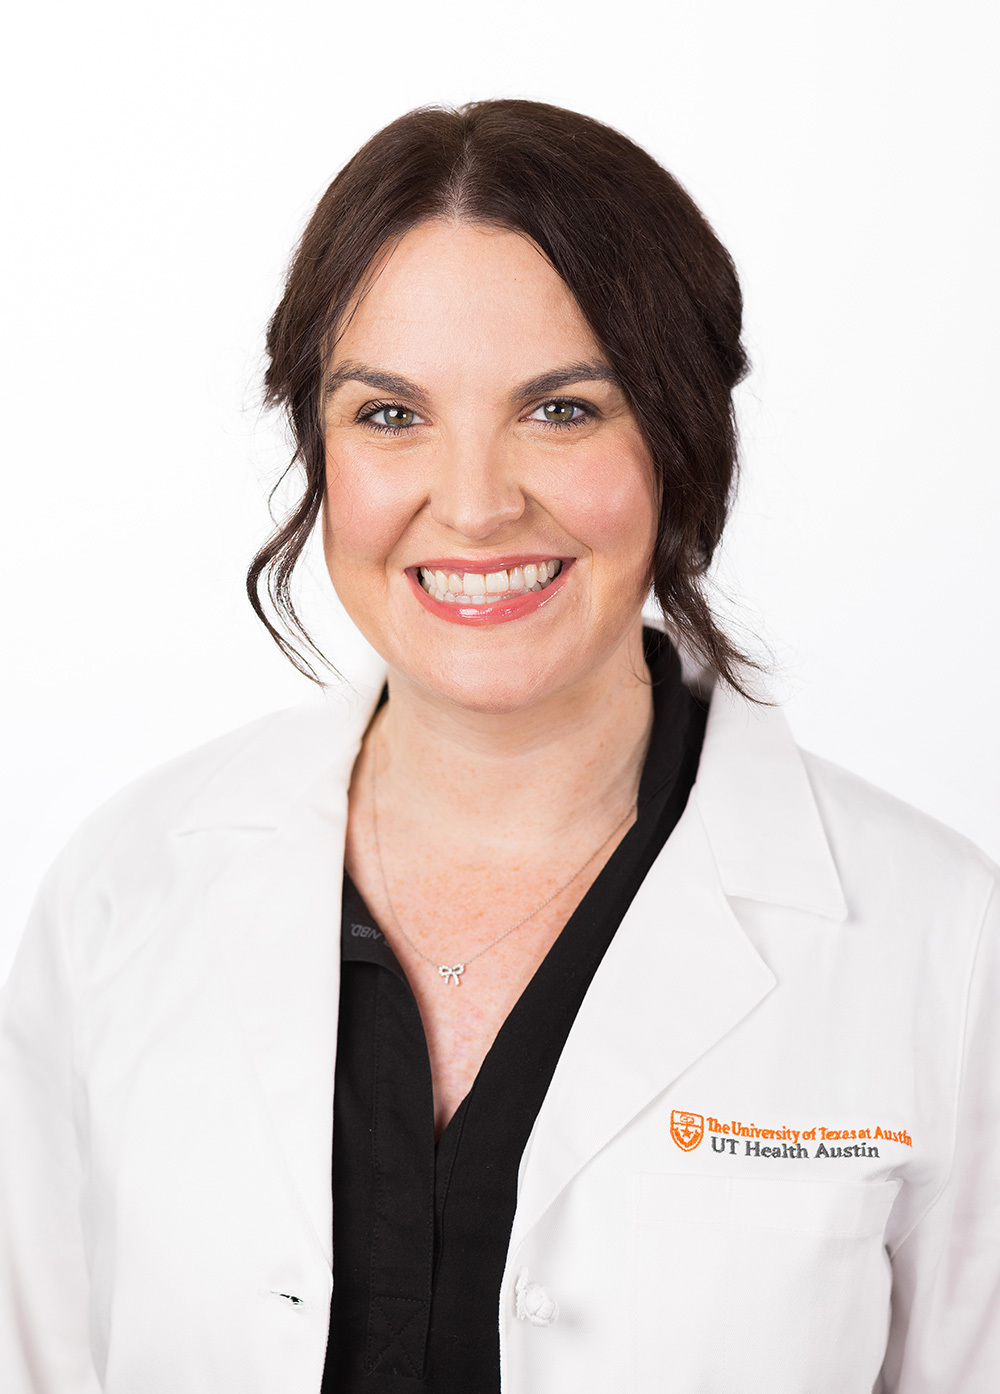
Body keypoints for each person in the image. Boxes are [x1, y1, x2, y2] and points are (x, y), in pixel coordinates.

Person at [1, 99, 998, 1394]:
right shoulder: (123, 895)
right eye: (390, 415)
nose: (472, 504)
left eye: (562, 410)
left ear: (680, 442)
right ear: (318, 446)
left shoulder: (935, 945)